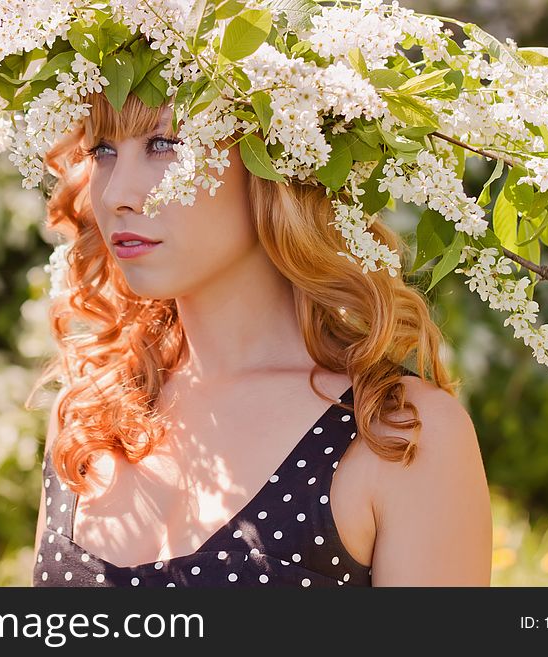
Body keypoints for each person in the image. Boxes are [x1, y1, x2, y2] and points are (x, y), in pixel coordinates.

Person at [28, 89, 492, 587]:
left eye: (165, 144)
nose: (118, 192)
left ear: (274, 161)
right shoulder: (88, 418)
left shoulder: (398, 434)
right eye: (103, 151)